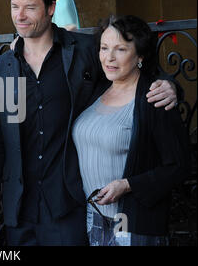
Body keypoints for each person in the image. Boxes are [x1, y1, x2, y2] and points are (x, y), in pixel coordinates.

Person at [0, 0, 178, 245]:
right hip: (19, 211)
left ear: (50, 8)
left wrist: (169, 85)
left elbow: (131, 69)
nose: (19, 16)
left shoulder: (85, 51)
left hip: (71, 205)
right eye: (14, 6)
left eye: (30, 7)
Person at [72, 15, 191, 246]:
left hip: (133, 223)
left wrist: (127, 185)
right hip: (94, 218)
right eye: (104, 48)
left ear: (140, 56)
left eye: (121, 49)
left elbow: (180, 166)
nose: (109, 58)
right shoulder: (96, 89)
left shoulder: (155, 97)